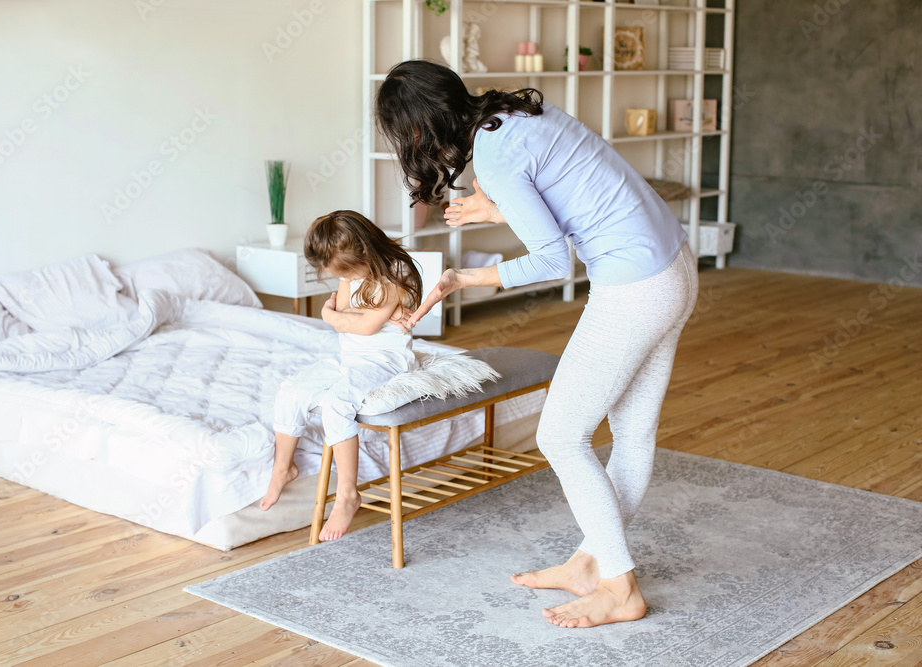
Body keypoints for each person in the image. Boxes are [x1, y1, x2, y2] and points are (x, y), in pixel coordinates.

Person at [376, 60, 698, 628]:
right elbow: (579, 190)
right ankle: (589, 564)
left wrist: (459, 280)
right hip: (673, 265)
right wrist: (495, 208)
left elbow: (552, 260)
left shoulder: (496, 157)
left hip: (635, 287)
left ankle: (620, 589)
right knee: (631, 431)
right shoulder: (517, 113)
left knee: (559, 434)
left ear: (417, 132)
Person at [259, 210, 423, 542]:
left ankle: (348, 493)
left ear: (366, 254)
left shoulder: (395, 275)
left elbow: (359, 324)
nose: (342, 280)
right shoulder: (350, 274)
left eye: (344, 274)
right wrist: (343, 315)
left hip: (385, 362)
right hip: (350, 358)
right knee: (291, 390)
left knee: (337, 403)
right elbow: (348, 319)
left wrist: (332, 313)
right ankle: (283, 468)